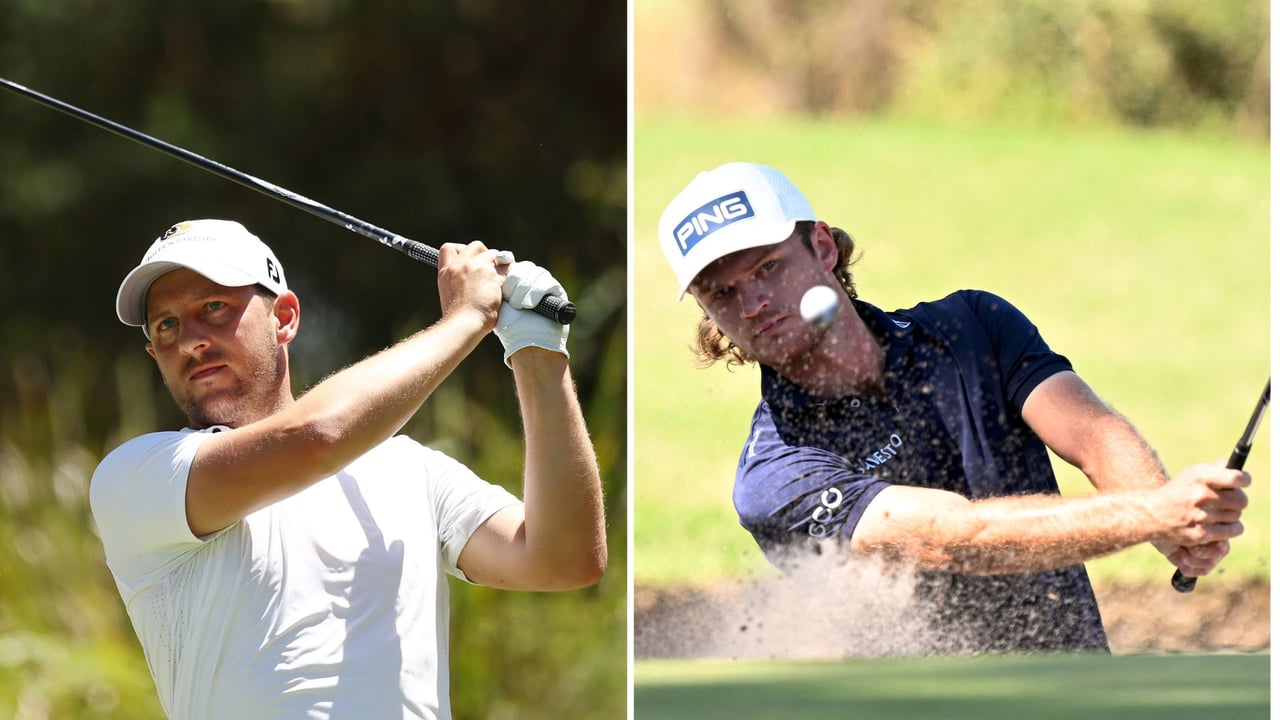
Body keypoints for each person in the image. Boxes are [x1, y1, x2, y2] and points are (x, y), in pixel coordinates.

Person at [656, 162, 1248, 653]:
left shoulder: (971, 326)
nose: (754, 303)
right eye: (722, 293)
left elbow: (1091, 435)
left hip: (1078, 687)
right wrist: (1150, 515)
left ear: (822, 246)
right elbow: (950, 538)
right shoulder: (775, 474)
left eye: (768, 267)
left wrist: (1172, 524)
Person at [89, 219, 607, 718]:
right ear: (153, 351)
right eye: (167, 325)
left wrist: (537, 352)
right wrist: (468, 318)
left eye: (215, 307)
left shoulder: (412, 471)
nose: (191, 340)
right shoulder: (137, 478)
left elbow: (563, 559)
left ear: (285, 317)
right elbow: (318, 437)